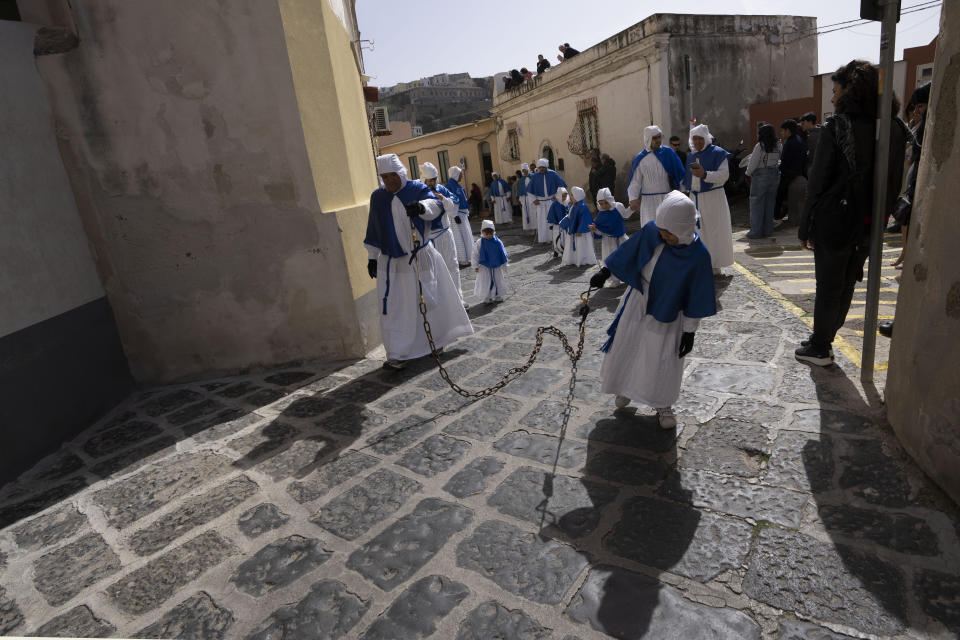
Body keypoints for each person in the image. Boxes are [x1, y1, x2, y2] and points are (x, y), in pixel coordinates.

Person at [795, 60, 907, 365]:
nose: (832, 98)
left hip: (836, 221)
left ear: (849, 90)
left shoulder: (838, 125)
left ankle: (820, 347)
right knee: (846, 283)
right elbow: (896, 179)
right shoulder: (895, 128)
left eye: (835, 90)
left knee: (829, 285)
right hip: (870, 223)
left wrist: (806, 227)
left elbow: (817, 181)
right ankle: (824, 337)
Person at [588, 191, 717, 428]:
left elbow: (696, 296)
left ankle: (662, 403)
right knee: (630, 346)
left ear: (684, 228)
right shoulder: (653, 231)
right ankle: (625, 386)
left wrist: (690, 331)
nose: (663, 235)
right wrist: (605, 272)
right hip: (639, 299)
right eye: (662, 230)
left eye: (669, 233)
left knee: (660, 357)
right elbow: (628, 254)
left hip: (669, 311)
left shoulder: (698, 256)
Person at [364, 154, 474, 370]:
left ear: (401, 173)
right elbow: (374, 226)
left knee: (429, 302)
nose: (389, 181)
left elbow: (435, 203)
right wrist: (371, 257)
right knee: (396, 307)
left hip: (419, 258)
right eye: (384, 177)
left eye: (392, 176)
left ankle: (437, 341)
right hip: (393, 263)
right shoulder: (378, 197)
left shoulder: (416, 189)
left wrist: (421, 208)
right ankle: (398, 353)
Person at [879, 83, 929, 338]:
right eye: (916, 106)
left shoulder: (928, 129)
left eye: (921, 105)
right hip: (913, 196)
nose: (918, 110)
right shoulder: (919, 128)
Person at [683, 123, 735, 274]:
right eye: (694, 139)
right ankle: (700, 263)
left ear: (706, 138)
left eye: (700, 138)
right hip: (695, 198)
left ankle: (715, 264)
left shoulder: (718, 153)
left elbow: (724, 176)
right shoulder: (691, 156)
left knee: (714, 231)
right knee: (697, 232)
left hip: (713, 198)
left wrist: (705, 175)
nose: (697, 142)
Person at [419, 162, 463, 303]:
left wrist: (443, 199)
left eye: (433, 180)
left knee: (452, 266)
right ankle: (441, 302)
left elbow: (454, 206)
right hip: (429, 239)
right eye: (429, 180)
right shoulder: (419, 193)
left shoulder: (442, 190)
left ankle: (457, 299)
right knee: (434, 271)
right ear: (423, 180)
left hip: (445, 234)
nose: (431, 183)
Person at [628, 125, 686, 225]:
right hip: (648, 202)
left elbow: (679, 172)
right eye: (655, 138)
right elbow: (635, 181)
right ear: (648, 139)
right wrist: (633, 198)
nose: (658, 140)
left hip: (666, 198)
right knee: (650, 228)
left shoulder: (668, 153)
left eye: (659, 137)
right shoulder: (640, 158)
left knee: (668, 227)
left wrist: (683, 191)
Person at [744, 123, 781, 239]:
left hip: (760, 175)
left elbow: (753, 163)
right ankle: (767, 230)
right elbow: (780, 158)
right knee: (770, 203)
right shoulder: (779, 144)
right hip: (774, 174)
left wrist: (747, 173)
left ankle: (755, 232)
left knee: (756, 204)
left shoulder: (760, 146)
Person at [589, 187, 631, 286]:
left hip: (621, 239)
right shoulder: (601, 215)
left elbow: (626, 214)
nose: (604, 206)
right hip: (608, 242)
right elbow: (601, 232)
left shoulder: (618, 207)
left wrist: (632, 208)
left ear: (610, 200)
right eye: (601, 203)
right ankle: (614, 279)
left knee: (624, 258)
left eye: (606, 203)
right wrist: (595, 229)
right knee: (609, 261)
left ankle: (626, 276)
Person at [774, 119, 807, 222]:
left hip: (789, 174)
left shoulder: (790, 142)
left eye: (782, 130)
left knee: (779, 195)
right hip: (798, 172)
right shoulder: (799, 139)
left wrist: (779, 169)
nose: (781, 133)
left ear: (788, 130)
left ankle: (776, 216)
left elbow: (785, 161)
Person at [528, 158, 567, 243]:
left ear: (546, 166)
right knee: (542, 221)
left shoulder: (553, 174)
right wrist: (534, 200)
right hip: (540, 202)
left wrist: (557, 196)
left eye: (543, 167)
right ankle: (544, 238)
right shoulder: (535, 176)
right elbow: (530, 191)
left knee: (552, 220)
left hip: (551, 201)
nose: (541, 169)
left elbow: (561, 187)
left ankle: (553, 238)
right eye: (540, 167)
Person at [472, 220, 509, 304]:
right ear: (482, 232)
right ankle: (487, 296)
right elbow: (475, 254)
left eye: (490, 233)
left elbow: (503, 252)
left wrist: (504, 264)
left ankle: (498, 295)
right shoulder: (480, 242)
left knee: (497, 279)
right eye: (486, 233)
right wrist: (475, 266)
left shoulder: (497, 242)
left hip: (496, 265)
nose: (488, 235)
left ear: (494, 232)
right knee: (485, 280)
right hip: (484, 265)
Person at [559, 187, 597, 266]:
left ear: (577, 196)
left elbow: (585, 220)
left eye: (572, 195)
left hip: (581, 233)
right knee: (574, 245)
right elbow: (570, 216)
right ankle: (573, 259)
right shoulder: (574, 206)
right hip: (574, 230)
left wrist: (580, 230)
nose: (571, 196)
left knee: (581, 246)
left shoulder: (583, 207)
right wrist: (563, 223)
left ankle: (582, 259)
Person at [446, 166, 474, 266]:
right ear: (455, 174)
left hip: (462, 215)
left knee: (466, 236)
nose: (462, 176)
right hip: (456, 216)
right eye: (460, 174)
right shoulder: (449, 186)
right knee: (459, 237)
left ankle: (469, 257)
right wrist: (454, 215)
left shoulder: (456, 185)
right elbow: (449, 202)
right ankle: (462, 259)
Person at [547, 186, 569, 258]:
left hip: (563, 223)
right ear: (559, 195)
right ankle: (558, 250)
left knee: (563, 238)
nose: (565, 197)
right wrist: (562, 222)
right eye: (563, 196)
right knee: (558, 237)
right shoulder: (556, 204)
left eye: (566, 196)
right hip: (557, 223)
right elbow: (557, 214)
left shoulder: (565, 202)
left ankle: (559, 251)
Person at [518, 163, 536, 233]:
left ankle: (536, 228)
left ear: (527, 169)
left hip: (533, 198)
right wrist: (521, 199)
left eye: (525, 170)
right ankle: (530, 228)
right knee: (527, 213)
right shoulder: (521, 179)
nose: (524, 171)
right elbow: (520, 189)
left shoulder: (533, 177)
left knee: (533, 213)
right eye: (523, 170)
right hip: (525, 198)